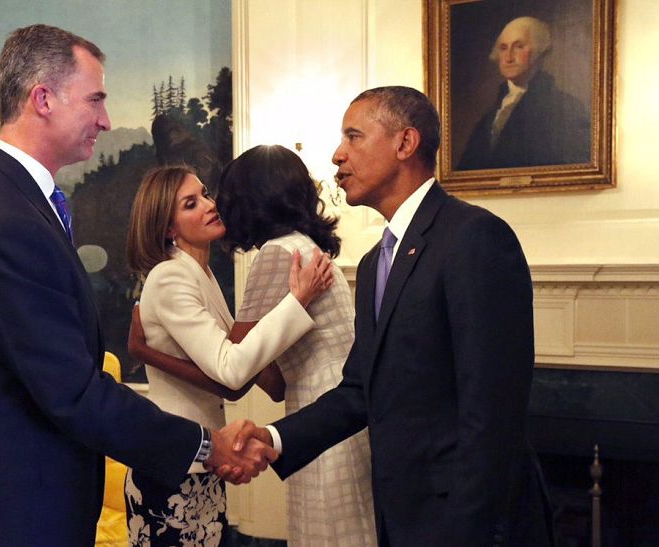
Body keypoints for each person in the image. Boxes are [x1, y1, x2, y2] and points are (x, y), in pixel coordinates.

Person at [0, 24, 274, 547]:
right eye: (95, 99)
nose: (106, 120)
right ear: (42, 99)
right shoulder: (8, 221)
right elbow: (72, 392)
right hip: (11, 517)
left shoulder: (16, 201)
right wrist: (207, 446)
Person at [229, 87, 553, 546]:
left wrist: (464, 531)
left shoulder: (475, 237)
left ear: (405, 143)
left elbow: (492, 412)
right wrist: (273, 438)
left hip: (466, 524)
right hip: (403, 518)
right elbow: (360, 390)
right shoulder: (373, 264)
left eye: (353, 137)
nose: (337, 155)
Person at [124, 165, 333, 545]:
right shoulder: (170, 276)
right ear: (168, 228)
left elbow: (241, 375)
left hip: (201, 458)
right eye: (191, 203)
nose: (209, 205)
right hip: (172, 462)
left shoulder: (201, 274)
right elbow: (231, 369)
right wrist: (297, 300)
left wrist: (144, 352)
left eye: (205, 194)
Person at [214, 144, 377, 546]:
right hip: (340, 406)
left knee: (328, 532)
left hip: (319, 408)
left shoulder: (276, 253)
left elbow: (239, 365)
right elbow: (273, 375)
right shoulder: (305, 244)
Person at [457, 16, 590, 170]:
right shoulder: (489, 117)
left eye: (519, 46)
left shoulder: (565, 108)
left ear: (539, 51)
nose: (508, 57)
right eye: (503, 48)